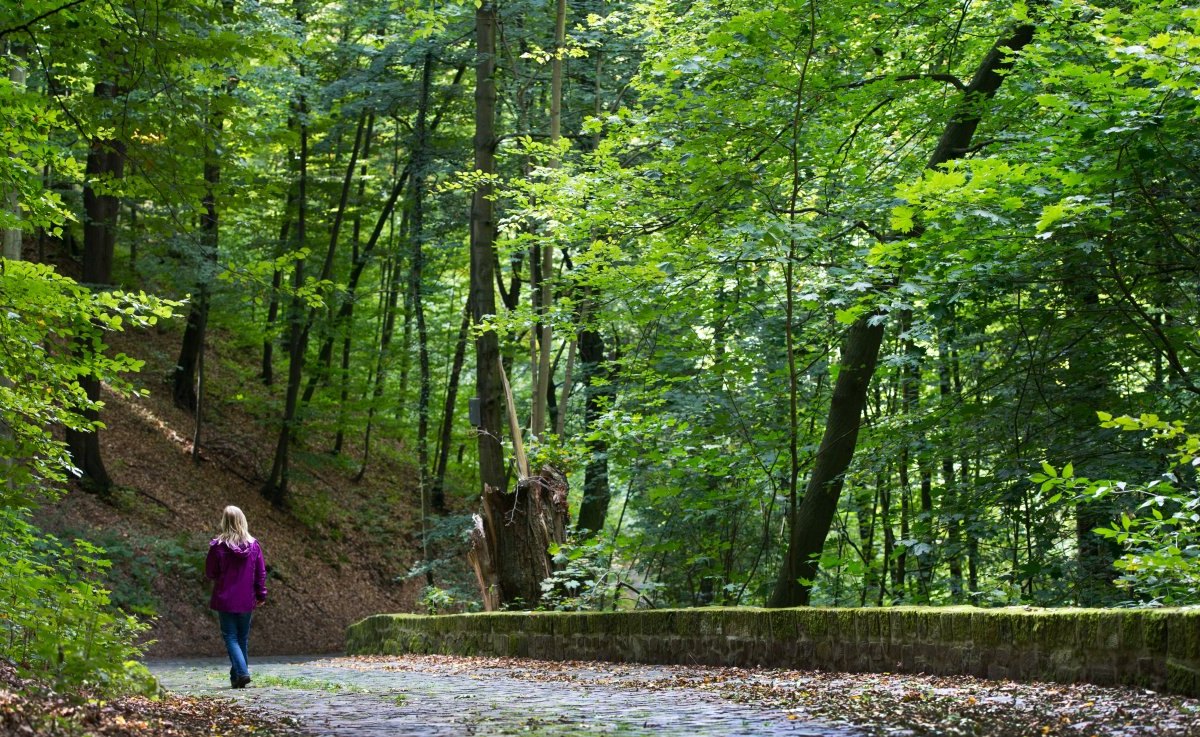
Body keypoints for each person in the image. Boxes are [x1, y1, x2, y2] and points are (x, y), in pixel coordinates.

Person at [205, 505, 267, 689]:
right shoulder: (254, 545)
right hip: (246, 599)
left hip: (225, 598)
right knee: (242, 638)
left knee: (231, 638)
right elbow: (260, 573)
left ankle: (242, 673)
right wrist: (261, 593)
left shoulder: (217, 546)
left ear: (225, 522)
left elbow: (210, 572)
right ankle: (237, 677)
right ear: (242, 521)